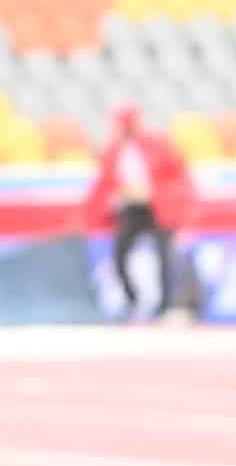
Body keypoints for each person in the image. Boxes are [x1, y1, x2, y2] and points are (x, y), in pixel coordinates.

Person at [82, 103, 193, 321]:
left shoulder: (157, 145)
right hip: (132, 208)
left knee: (164, 255)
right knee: (120, 252)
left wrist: (165, 199)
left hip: (160, 207)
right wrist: (102, 208)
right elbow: (104, 184)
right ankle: (132, 300)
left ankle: (165, 306)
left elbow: (177, 176)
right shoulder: (114, 151)